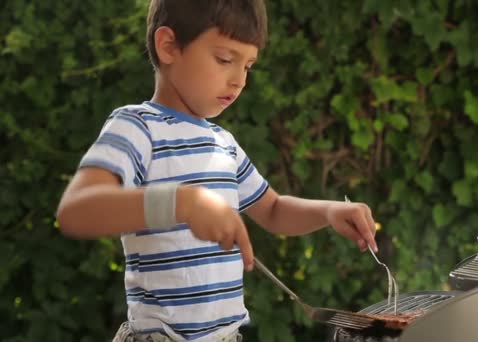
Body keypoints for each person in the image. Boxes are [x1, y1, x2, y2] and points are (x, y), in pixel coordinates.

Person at [56, 0, 378, 341]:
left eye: (248, 66)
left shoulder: (222, 143)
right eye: (225, 59)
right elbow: (77, 211)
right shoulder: (138, 127)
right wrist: (183, 203)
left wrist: (328, 211)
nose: (239, 80)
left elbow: (273, 209)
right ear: (169, 46)